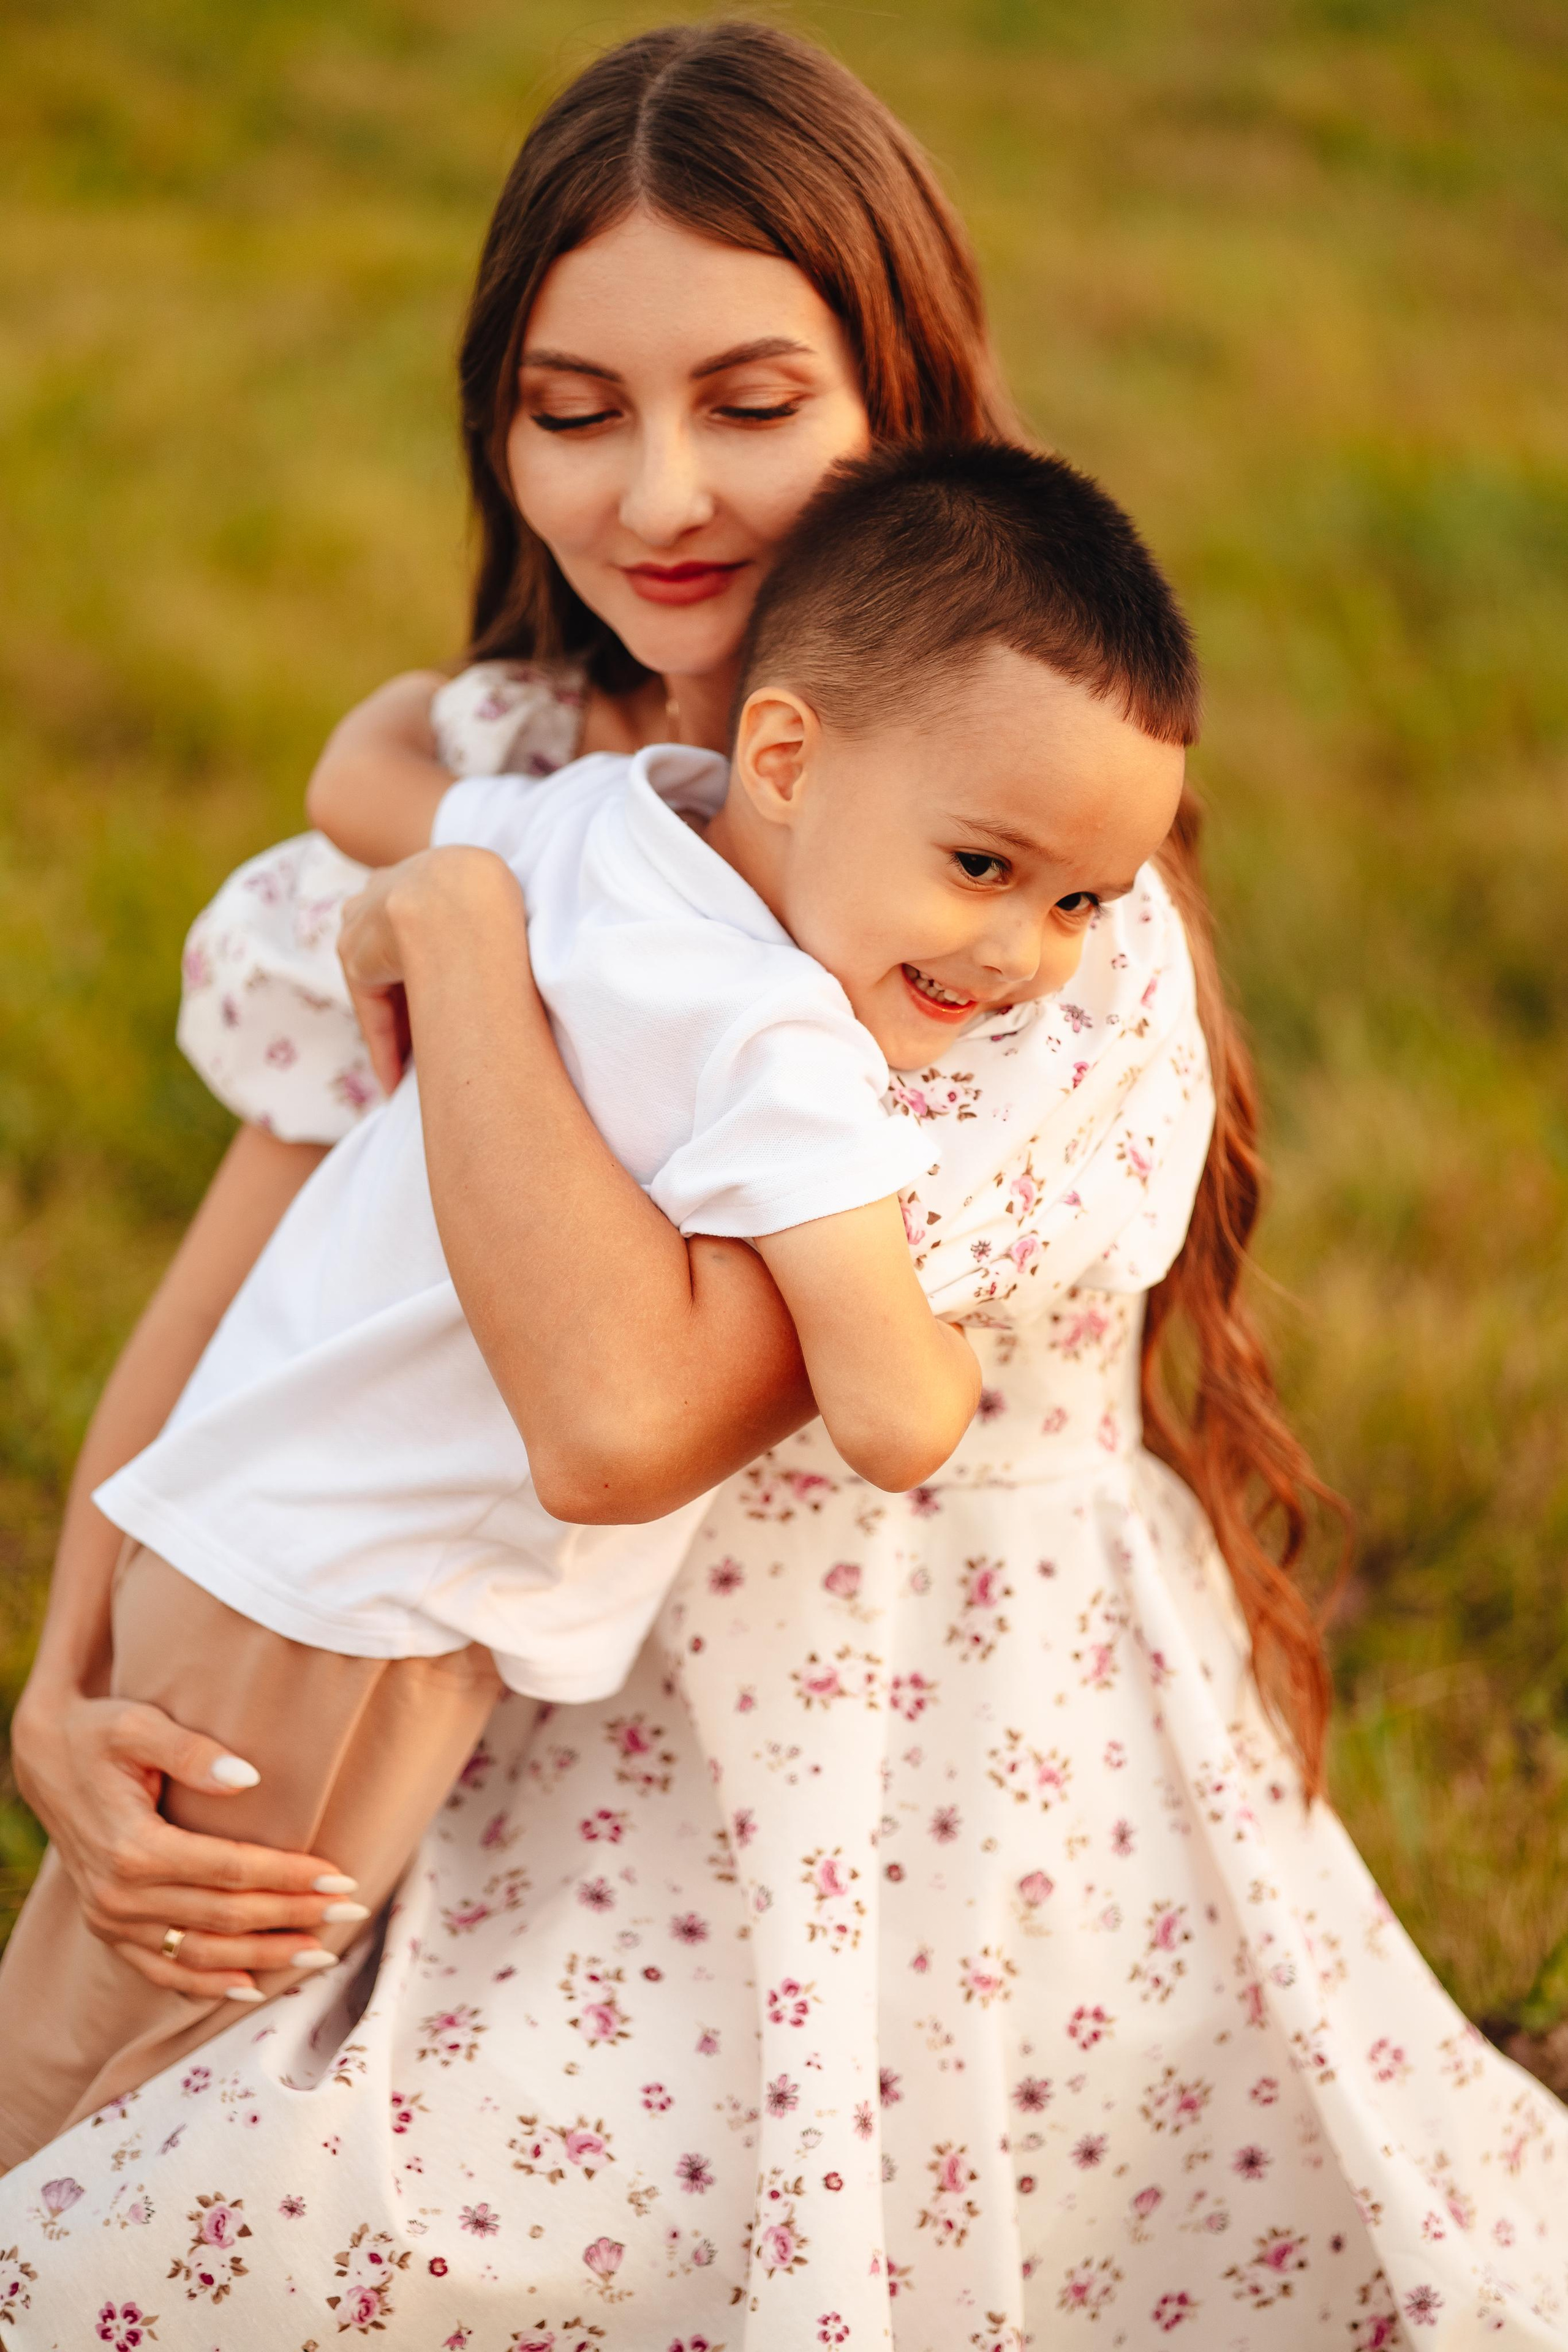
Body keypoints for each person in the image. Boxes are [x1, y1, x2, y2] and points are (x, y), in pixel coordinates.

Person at [2, 20, 1562, 2347]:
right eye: (570, 407)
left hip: (924, 1792)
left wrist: (463, 929)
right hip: (488, 1719)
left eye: (751, 402)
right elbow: (249, 1287)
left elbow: (628, 1422)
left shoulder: (1000, 925)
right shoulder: (529, 772)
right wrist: (57, 1685)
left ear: (898, 397)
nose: (656, 499)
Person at [0, 440, 1195, 2154]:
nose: (1023, 962)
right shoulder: (788, 1053)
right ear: (785, 755)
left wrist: (433, 694)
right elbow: (897, 1417)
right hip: (356, 1617)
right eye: (987, 869)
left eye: (1084, 903)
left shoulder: (601, 821)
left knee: (123, 1995)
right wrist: (925, 1275)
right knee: (151, 2061)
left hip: (258, 1529)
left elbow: (363, 778)